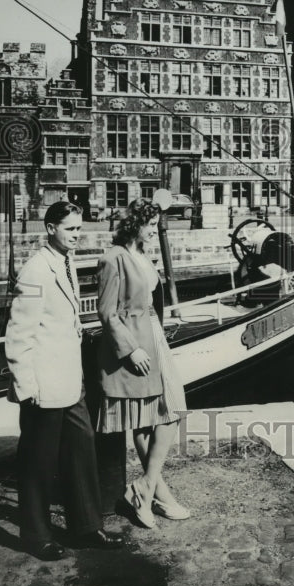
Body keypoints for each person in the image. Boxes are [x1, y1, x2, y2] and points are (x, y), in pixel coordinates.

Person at [5, 201, 124, 560]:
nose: (77, 235)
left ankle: (86, 527)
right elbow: (18, 334)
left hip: (70, 381)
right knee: (39, 462)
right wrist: (27, 387)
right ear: (50, 228)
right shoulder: (35, 272)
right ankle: (36, 535)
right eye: (70, 229)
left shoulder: (65, 262)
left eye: (79, 228)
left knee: (81, 449)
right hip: (43, 384)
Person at [96, 198, 190, 528]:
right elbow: (106, 312)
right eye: (151, 225)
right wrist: (130, 350)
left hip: (154, 336)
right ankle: (154, 493)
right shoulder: (113, 258)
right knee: (148, 417)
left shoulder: (141, 254)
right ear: (135, 225)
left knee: (170, 410)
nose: (156, 230)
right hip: (136, 343)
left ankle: (146, 489)